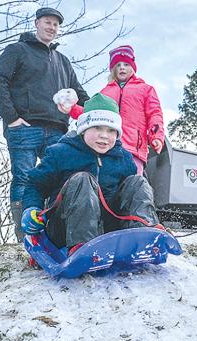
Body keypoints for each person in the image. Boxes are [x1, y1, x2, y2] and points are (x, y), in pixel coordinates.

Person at [0, 6, 89, 240]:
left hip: (58, 130)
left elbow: (81, 94)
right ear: (36, 23)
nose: (51, 27)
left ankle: (54, 234)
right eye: (47, 22)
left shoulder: (62, 61)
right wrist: (11, 117)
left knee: (60, 177)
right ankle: (25, 236)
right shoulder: (17, 50)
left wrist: (98, 111)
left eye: (55, 24)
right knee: (24, 178)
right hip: (24, 127)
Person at [19, 94, 160, 254]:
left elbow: (131, 197)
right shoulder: (60, 153)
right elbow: (35, 184)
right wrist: (31, 208)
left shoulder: (124, 158)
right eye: (97, 128)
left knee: (137, 182)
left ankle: (146, 236)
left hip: (109, 229)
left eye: (111, 130)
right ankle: (83, 246)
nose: (104, 135)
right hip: (66, 229)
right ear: (83, 128)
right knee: (83, 179)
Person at [64, 45, 164, 174]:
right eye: (118, 65)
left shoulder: (146, 89)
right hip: (107, 147)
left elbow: (155, 114)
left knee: (132, 184)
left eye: (126, 64)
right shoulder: (105, 92)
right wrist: (72, 108)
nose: (122, 67)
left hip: (134, 150)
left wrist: (156, 136)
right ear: (113, 69)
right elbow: (91, 114)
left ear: (133, 67)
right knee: (106, 186)